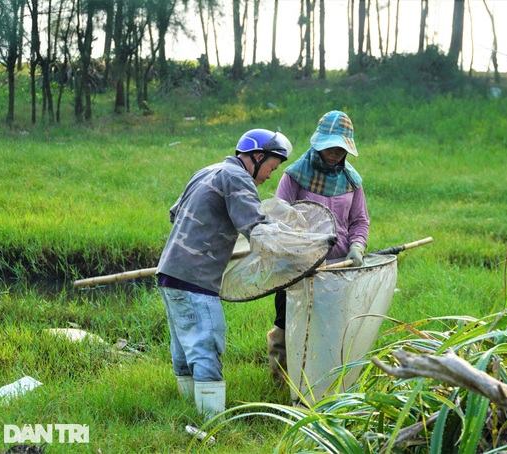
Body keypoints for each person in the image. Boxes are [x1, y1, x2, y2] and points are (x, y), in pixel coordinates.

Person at [156, 128, 292, 419]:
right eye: (271, 167)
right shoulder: (237, 178)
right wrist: (298, 250)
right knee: (206, 343)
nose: (270, 176)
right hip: (196, 279)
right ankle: (211, 420)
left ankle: (187, 410)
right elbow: (258, 229)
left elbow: (174, 213)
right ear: (258, 156)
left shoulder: (207, 171)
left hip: (169, 272)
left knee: (184, 346)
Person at [267, 110, 370, 384]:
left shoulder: (352, 181)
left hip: (338, 269)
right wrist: (301, 255)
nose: (333, 153)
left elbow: (359, 221)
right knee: (288, 325)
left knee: (333, 327)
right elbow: (279, 219)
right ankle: (283, 382)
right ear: (317, 143)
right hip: (297, 268)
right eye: (329, 146)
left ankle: (325, 380)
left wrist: (357, 246)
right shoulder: (294, 176)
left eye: (339, 148)